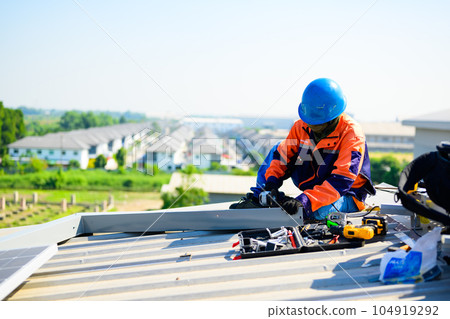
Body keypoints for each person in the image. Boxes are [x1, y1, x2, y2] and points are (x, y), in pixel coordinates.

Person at [230, 78, 375, 221]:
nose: (311, 126)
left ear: (332, 118)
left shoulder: (352, 134)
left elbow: (342, 181)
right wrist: (271, 182)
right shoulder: (301, 125)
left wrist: (305, 201)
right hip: (315, 185)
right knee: (278, 148)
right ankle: (262, 197)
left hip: (346, 193)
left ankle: (298, 204)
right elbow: (282, 156)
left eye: (318, 124)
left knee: (315, 213)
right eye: (310, 122)